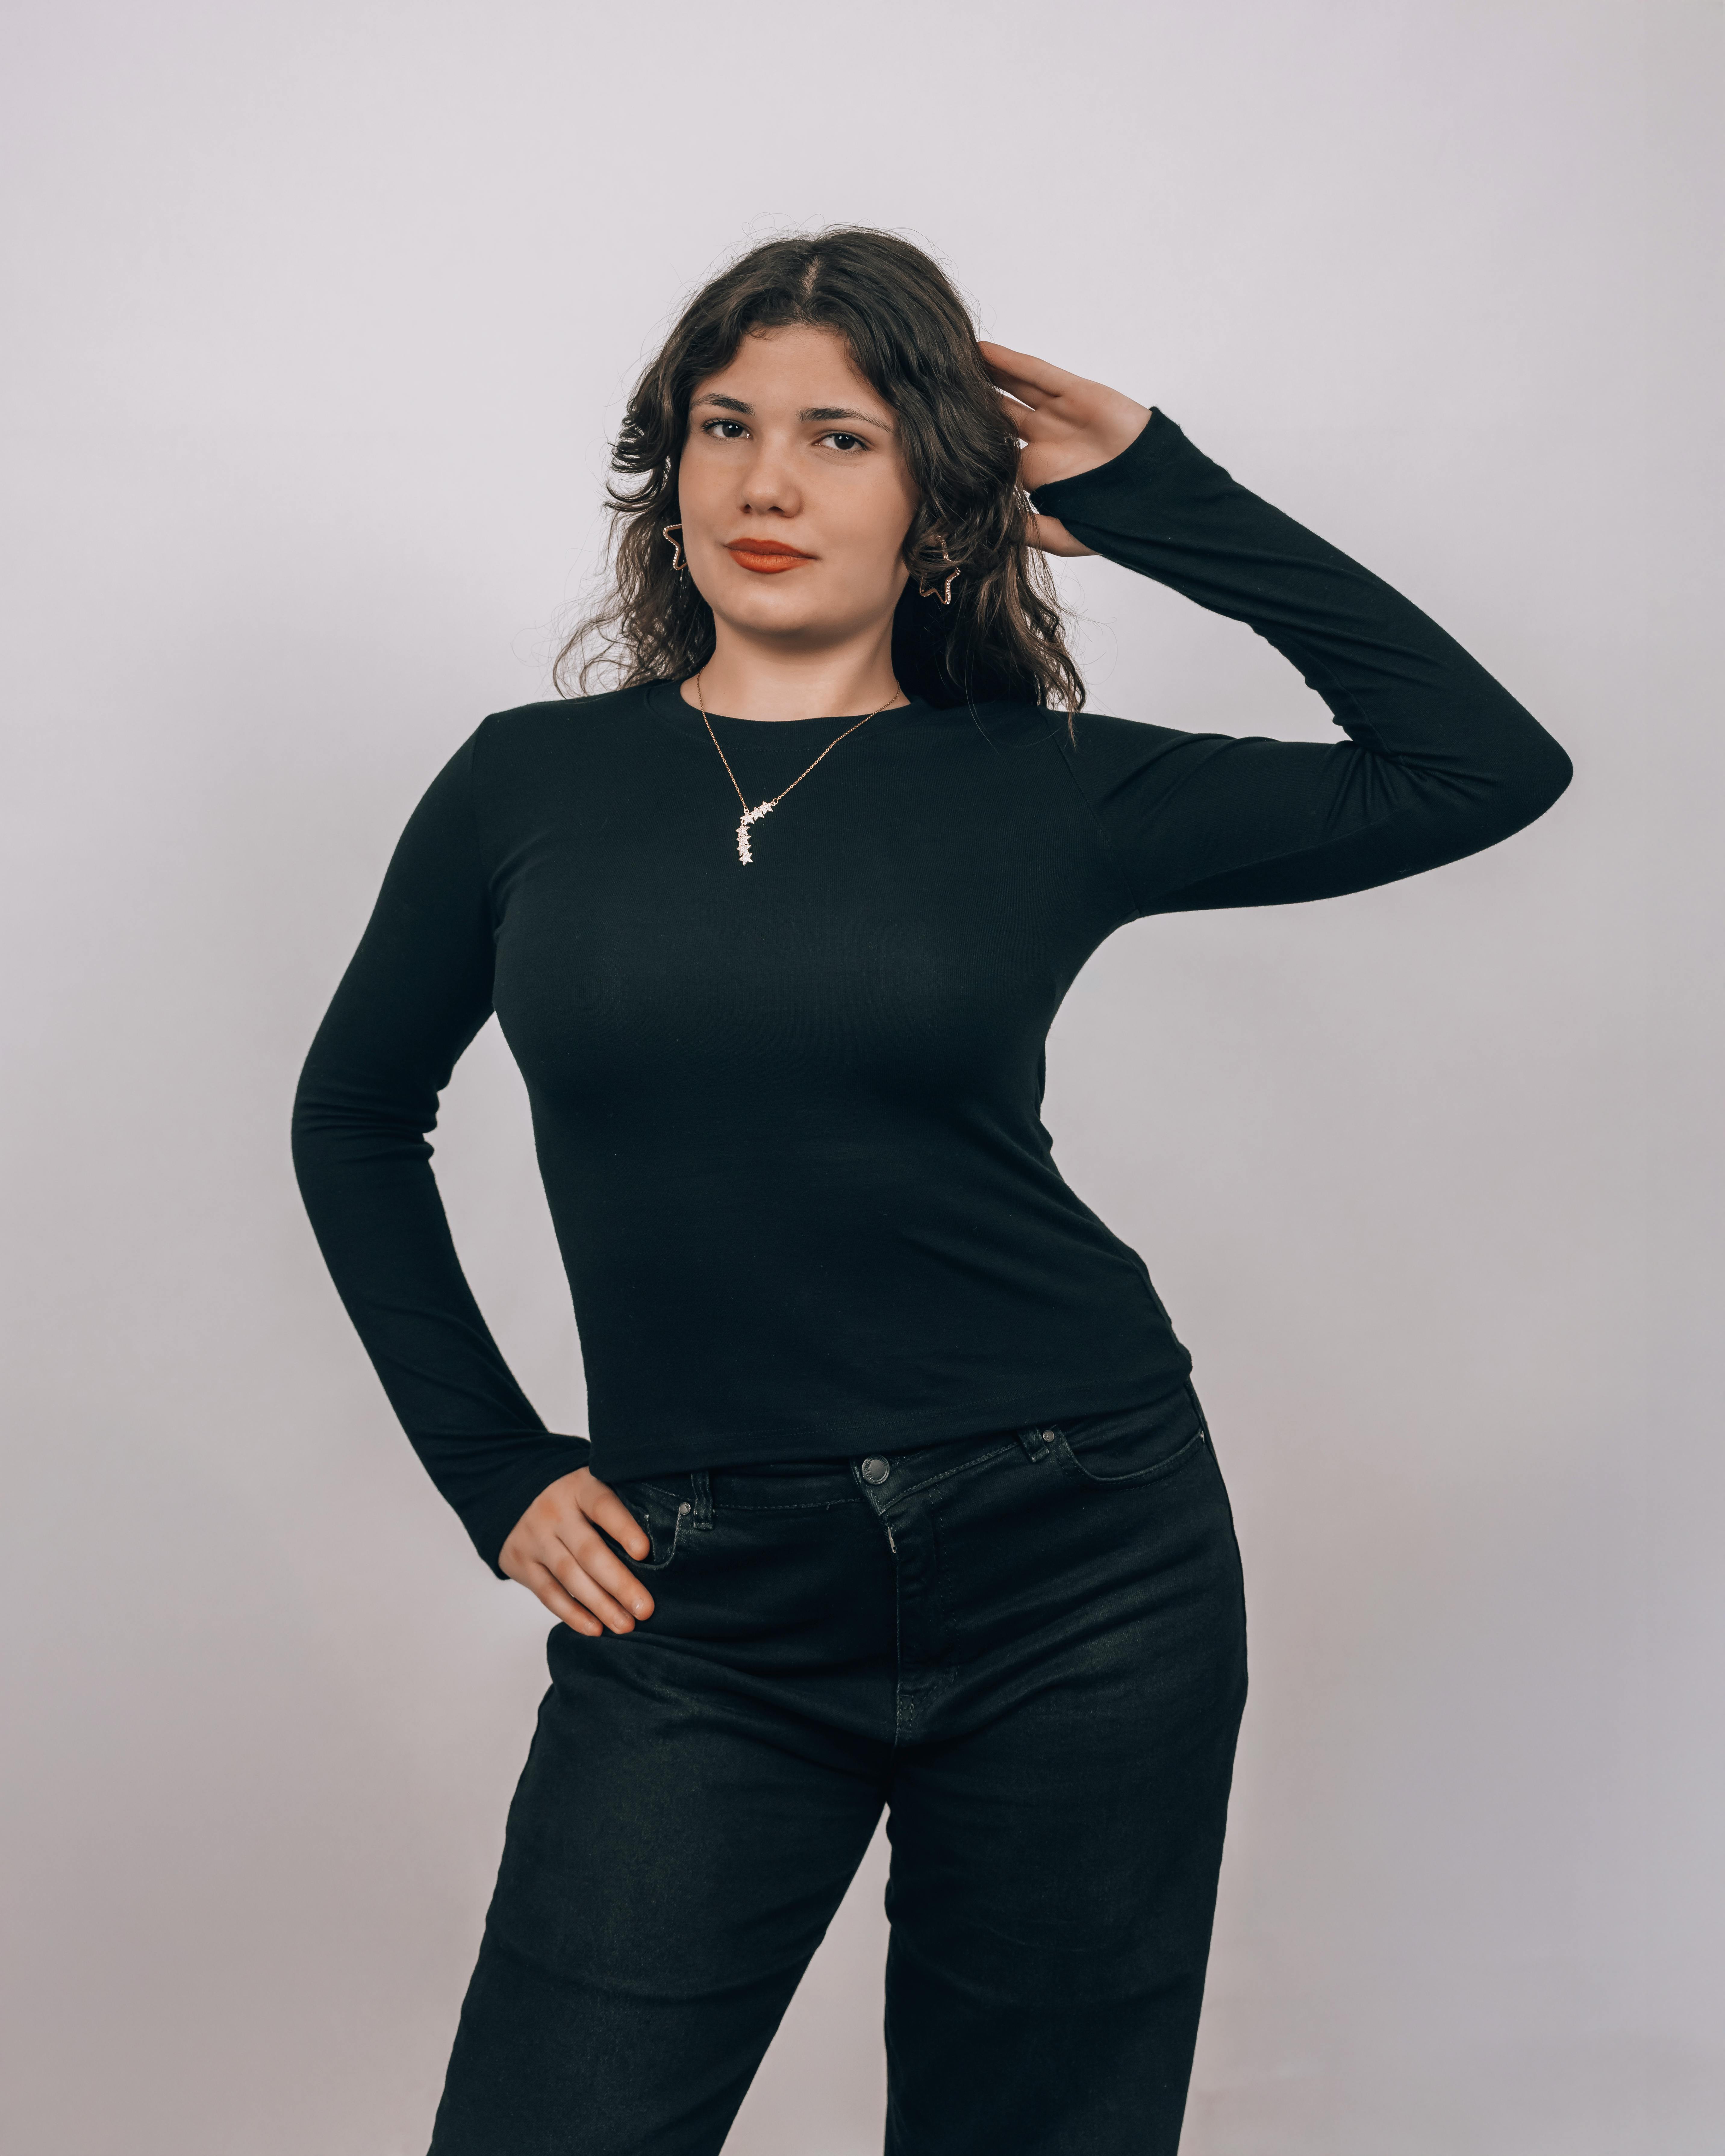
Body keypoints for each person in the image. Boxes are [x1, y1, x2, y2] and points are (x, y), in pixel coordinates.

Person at [290, 227, 1571, 2155]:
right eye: (726, 427)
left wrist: (1158, 488)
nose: (769, 484)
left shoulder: (1045, 782)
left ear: (940, 496)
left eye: (844, 436)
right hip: (699, 1590)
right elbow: (356, 1112)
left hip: (1084, 1553)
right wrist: (491, 1463)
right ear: (674, 464)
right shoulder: (525, 786)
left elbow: (1481, 764)